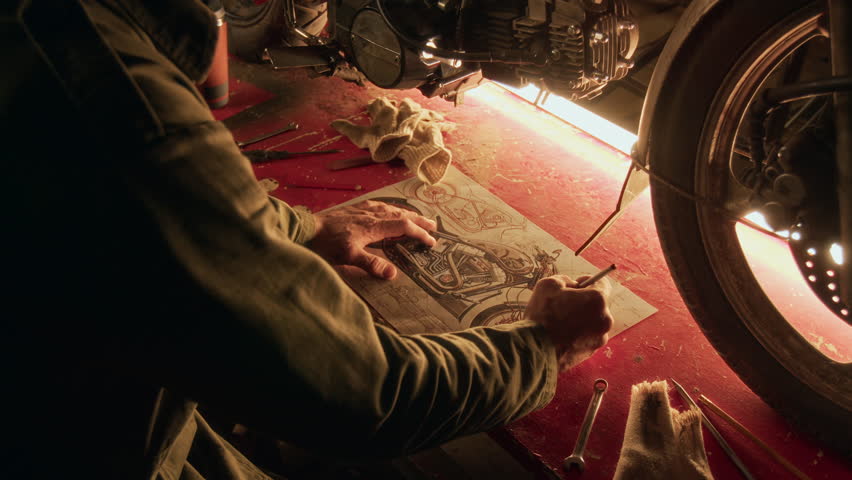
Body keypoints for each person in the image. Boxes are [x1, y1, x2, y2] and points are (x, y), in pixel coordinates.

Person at [2, 0, 613, 478]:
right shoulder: (110, 97)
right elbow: (369, 397)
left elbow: (177, 209)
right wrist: (543, 346)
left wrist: (306, 226)